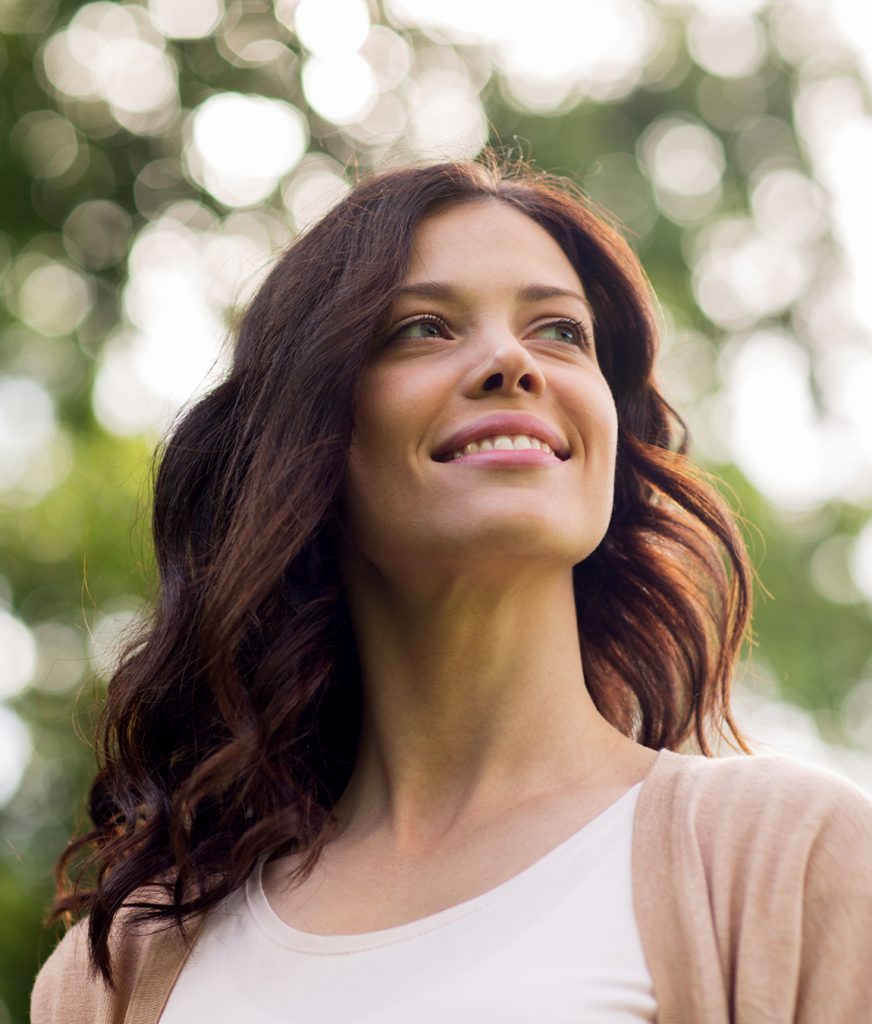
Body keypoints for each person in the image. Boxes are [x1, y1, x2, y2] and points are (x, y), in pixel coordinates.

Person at [32, 159, 872, 1023]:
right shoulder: (125, 968)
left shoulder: (791, 858)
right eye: (425, 328)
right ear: (311, 435)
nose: (512, 360)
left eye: (561, 331)